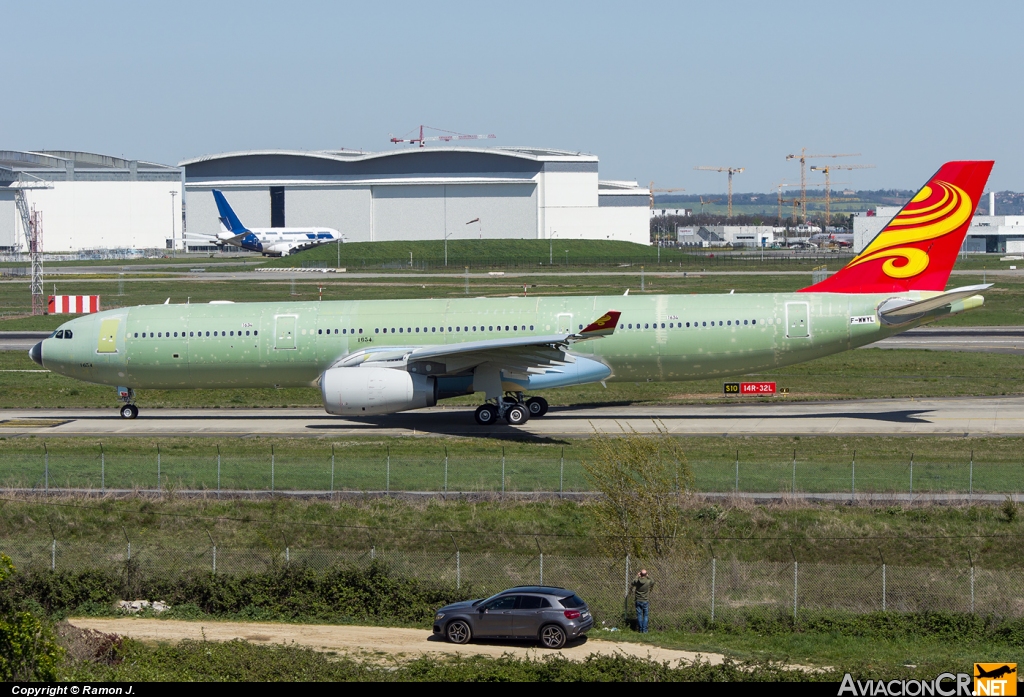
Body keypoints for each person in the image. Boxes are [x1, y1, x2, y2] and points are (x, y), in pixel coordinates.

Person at [630, 569, 654, 633]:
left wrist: (637, 576)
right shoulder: (648, 581)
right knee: (645, 615)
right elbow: (653, 582)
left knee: (639, 615)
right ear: (646, 574)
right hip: (645, 600)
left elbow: (632, 582)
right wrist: (648, 576)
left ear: (640, 574)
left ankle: (640, 630)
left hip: (638, 600)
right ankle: (645, 630)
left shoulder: (637, 581)